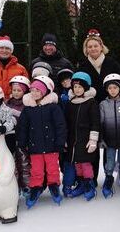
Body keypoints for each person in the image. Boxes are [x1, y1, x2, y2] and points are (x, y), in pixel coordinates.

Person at [78, 29, 120, 183]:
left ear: (101, 46)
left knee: (110, 142)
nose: (93, 49)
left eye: (95, 46)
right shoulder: (83, 65)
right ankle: (92, 176)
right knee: (93, 143)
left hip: (110, 108)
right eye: (89, 47)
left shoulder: (112, 63)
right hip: (91, 109)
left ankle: (109, 175)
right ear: (86, 49)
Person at [17, 76, 66, 208]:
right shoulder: (28, 109)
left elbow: (60, 126)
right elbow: (23, 127)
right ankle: (36, 188)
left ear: (45, 92)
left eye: (37, 90)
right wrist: (22, 142)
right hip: (35, 146)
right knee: (36, 170)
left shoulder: (53, 108)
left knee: (53, 168)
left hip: (51, 146)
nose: (34, 93)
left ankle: (54, 186)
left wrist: (60, 142)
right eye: (32, 90)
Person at [65, 72, 100, 201]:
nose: (77, 89)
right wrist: (65, 139)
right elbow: (66, 122)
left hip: (86, 138)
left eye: (80, 87)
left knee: (85, 164)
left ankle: (89, 184)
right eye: (75, 87)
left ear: (85, 88)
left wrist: (93, 140)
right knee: (77, 164)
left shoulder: (91, 102)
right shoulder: (70, 103)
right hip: (73, 139)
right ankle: (80, 183)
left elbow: (95, 122)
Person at [5, 75, 31, 198]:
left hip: (24, 138)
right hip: (9, 138)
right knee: (12, 163)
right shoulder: (6, 103)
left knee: (24, 162)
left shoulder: (28, 103)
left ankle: (27, 186)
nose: (16, 93)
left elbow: (29, 119)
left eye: (19, 90)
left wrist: (17, 114)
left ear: (25, 91)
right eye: (14, 90)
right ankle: (15, 186)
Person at [55, 68, 76, 197]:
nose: (66, 82)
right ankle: (67, 182)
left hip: (77, 130)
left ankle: (75, 181)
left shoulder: (79, 93)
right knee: (65, 158)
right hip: (63, 131)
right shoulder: (59, 96)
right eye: (63, 81)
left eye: (68, 79)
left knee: (75, 159)